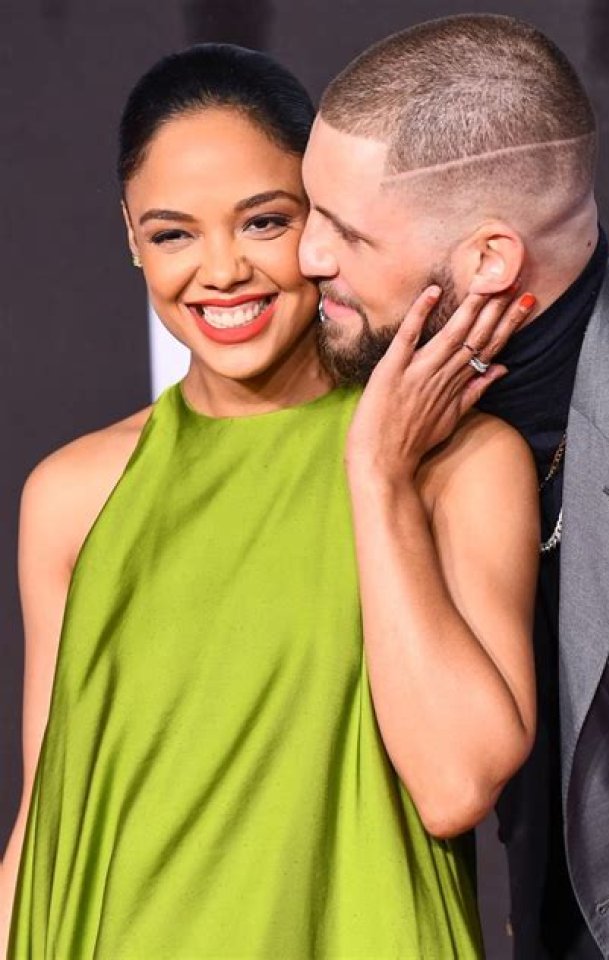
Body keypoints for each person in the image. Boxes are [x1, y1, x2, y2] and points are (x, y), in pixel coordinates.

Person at [0, 44, 540, 958]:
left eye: (263, 222)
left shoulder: (460, 462)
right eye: (173, 234)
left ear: (322, 222)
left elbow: (456, 785)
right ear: (130, 237)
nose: (221, 272)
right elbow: (47, 822)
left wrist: (376, 476)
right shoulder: (73, 493)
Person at [298, 13, 609, 960]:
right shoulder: (357, 394)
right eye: (308, 211)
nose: (307, 257)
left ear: (490, 259)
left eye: (345, 232)